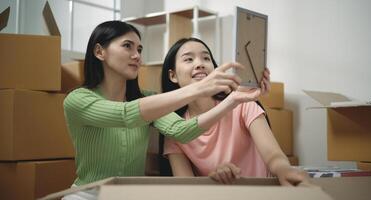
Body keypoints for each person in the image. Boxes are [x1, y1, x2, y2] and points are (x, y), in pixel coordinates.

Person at [62, 20, 265, 199]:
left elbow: (182, 131)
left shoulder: (148, 99)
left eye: (140, 50)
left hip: (131, 195)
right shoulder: (77, 100)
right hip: (87, 195)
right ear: (99, 52)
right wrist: (198, 88)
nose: (137, 56)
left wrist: (232, 101)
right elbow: (125, 115)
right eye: (127, 46)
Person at [161, 37, 310, 186]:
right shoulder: (175, 129)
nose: (200, 64)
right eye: (189, 59)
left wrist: (284, 169)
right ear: (173, 75)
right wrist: (213, 179)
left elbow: (274, 156)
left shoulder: (242, 103)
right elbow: (188, 187)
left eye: (206, 58)